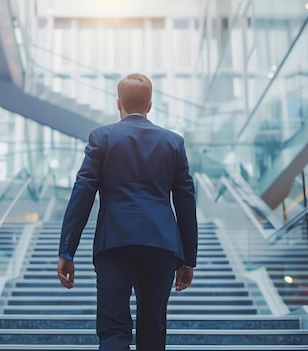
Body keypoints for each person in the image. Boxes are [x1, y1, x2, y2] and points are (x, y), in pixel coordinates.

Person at [57, 73, 198, 351]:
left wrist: (67, 250)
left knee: (113, 329)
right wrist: (188, 258)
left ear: (118, 103)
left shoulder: (102, 138)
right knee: (152, 332)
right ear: (149, 106)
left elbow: (82, 193)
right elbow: (185, 202)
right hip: (161, 246)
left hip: (114, 244)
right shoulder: (173, 142)